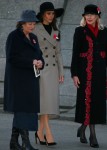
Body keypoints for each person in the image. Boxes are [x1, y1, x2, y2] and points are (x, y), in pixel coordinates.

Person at [4, 10, 44, 150]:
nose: (32, 26)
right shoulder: (13, 36)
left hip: (31, 80)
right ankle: (26, 144)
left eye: (33, 23)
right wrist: (31, 62)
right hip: (18, 81)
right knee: (21, 111)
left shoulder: (33, 37)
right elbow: (11, 58)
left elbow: (39, 55)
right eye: (29, 23)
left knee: (27, 110)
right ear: (22, 23)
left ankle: (13, 143)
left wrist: (40, 63)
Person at [70, 4, 107, 148]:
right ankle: (93, 135)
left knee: (96, 103)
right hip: (84, 72)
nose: (89, 17)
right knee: (87, 102)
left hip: (99, 73)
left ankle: (83, 128)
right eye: (87, 14)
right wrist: (74, 74)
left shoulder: (105, 32)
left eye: (92, 14)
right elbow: (74, 54)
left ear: (98, 16)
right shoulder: (79, 31)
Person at [33, 2, 64, 146]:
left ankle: (39, 133)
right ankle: (48, 133)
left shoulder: (56, 31)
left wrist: (61, 71)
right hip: (41, 68)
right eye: (48, 13)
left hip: (53, 69)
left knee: (48, 102)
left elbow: (58, 52)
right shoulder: (35, 29)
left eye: (53, 13)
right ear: (42, 15)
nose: (51, 16)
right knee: (44, 102)